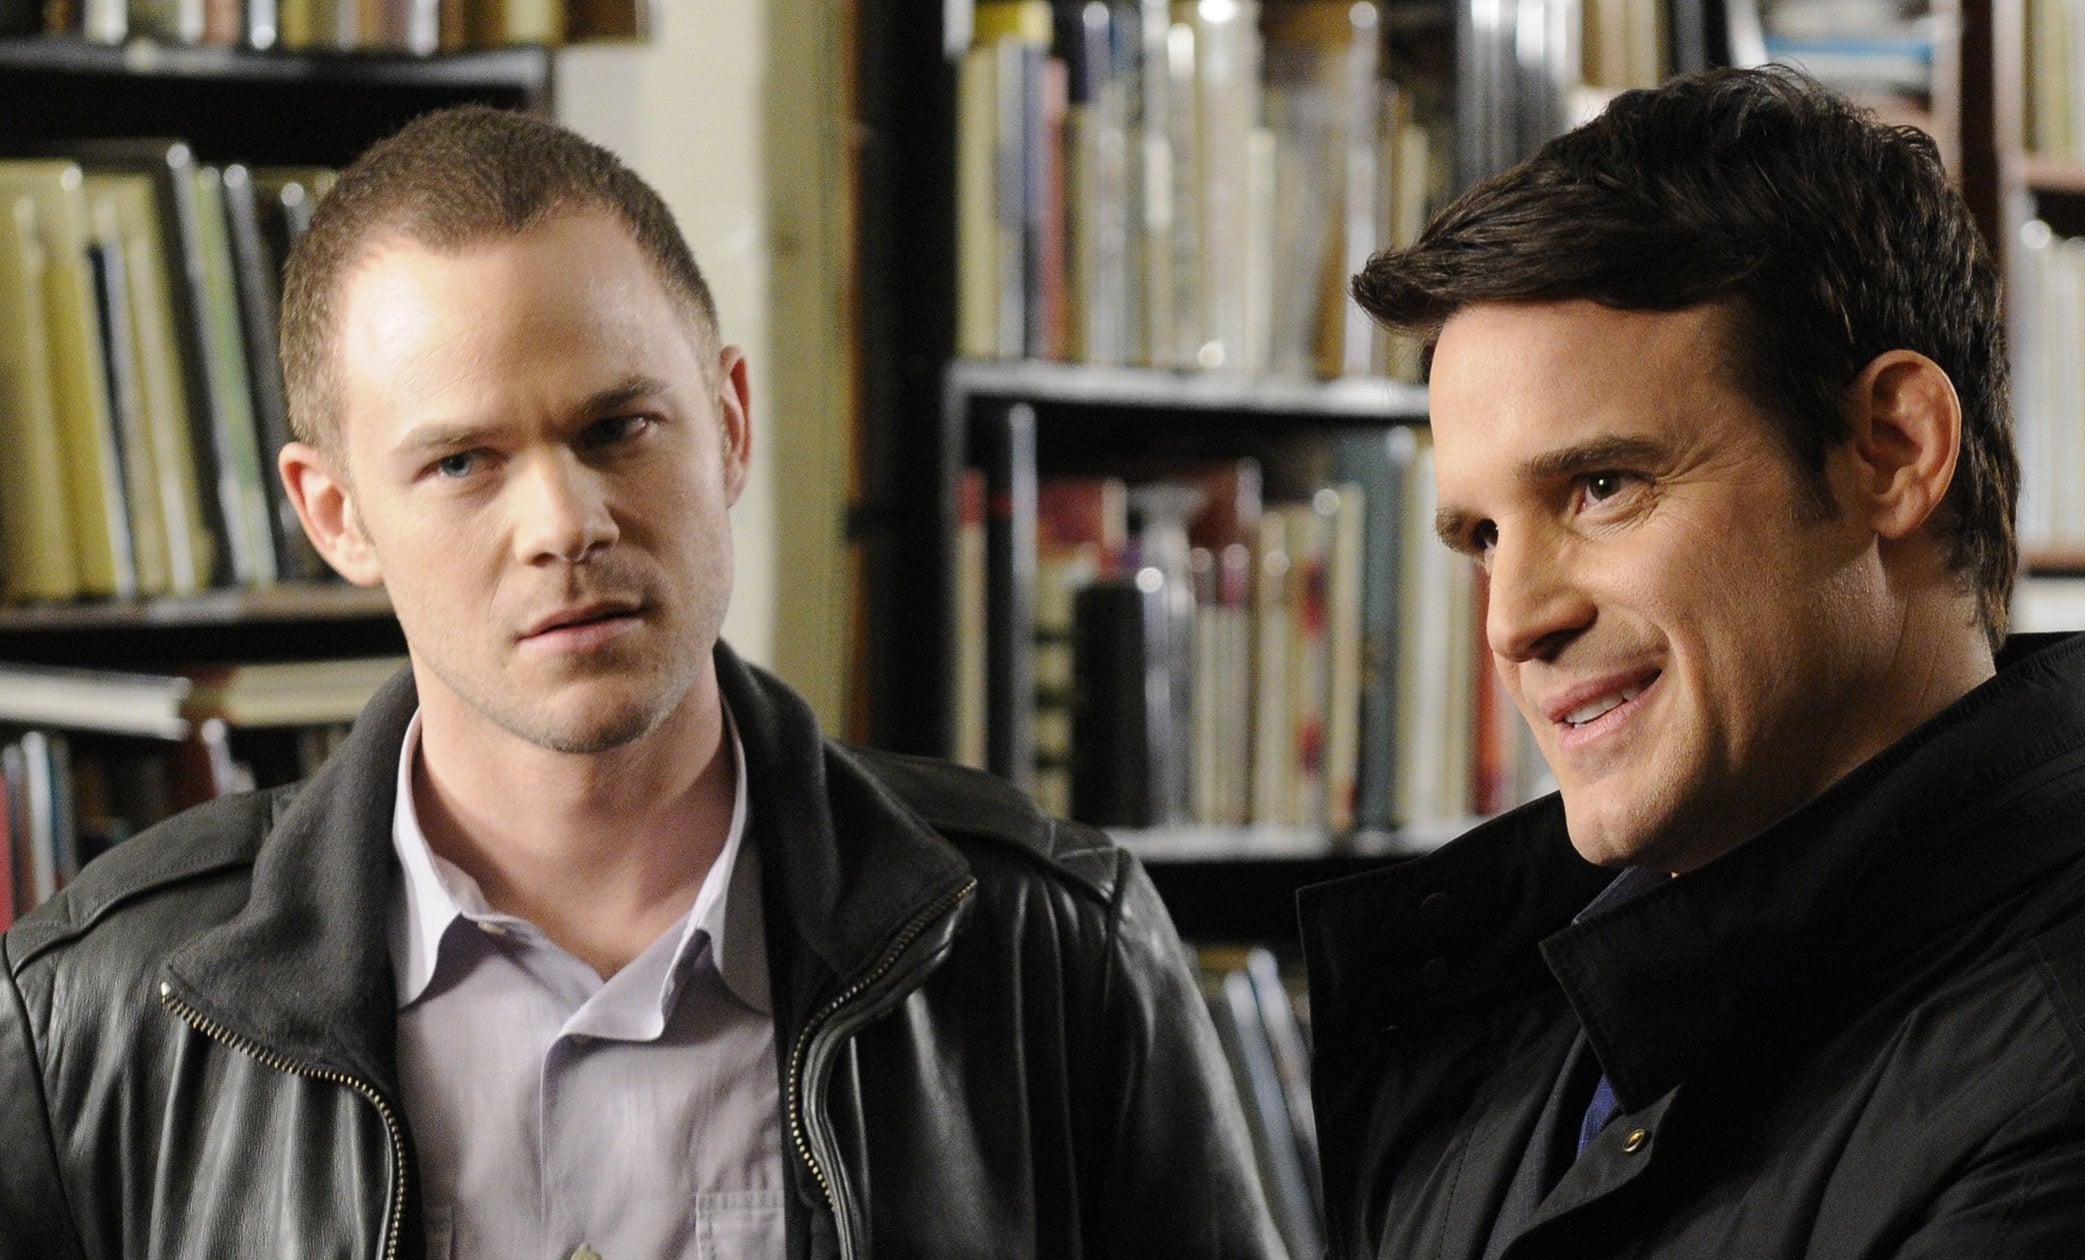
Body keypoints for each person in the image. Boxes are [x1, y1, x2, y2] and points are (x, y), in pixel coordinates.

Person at [0, 106, 1283, 1260]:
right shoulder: (87, 1019)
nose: (565, 523)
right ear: (334, 515)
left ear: (727, 424)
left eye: (617, 428)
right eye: (461, 463)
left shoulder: (1053, 949)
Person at [1303, 66, 2085, 1259]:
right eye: (1481, 537)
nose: (1511, 620)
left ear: (1891, 449)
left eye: (1601, 486)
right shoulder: (1516, 1031)